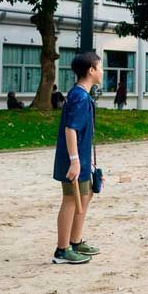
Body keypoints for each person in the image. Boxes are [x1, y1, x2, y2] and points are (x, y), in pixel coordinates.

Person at [51, 51, 103, 265]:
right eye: (100, 67)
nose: (102, 71)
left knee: (85, 195)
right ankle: (62, 251)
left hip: (81, 158)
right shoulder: (79, 97)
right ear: (91, 70)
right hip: (74, 160)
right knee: (71, 200)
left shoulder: (81, 95)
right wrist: (74, 160)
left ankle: (75, 241)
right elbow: (70, 130)